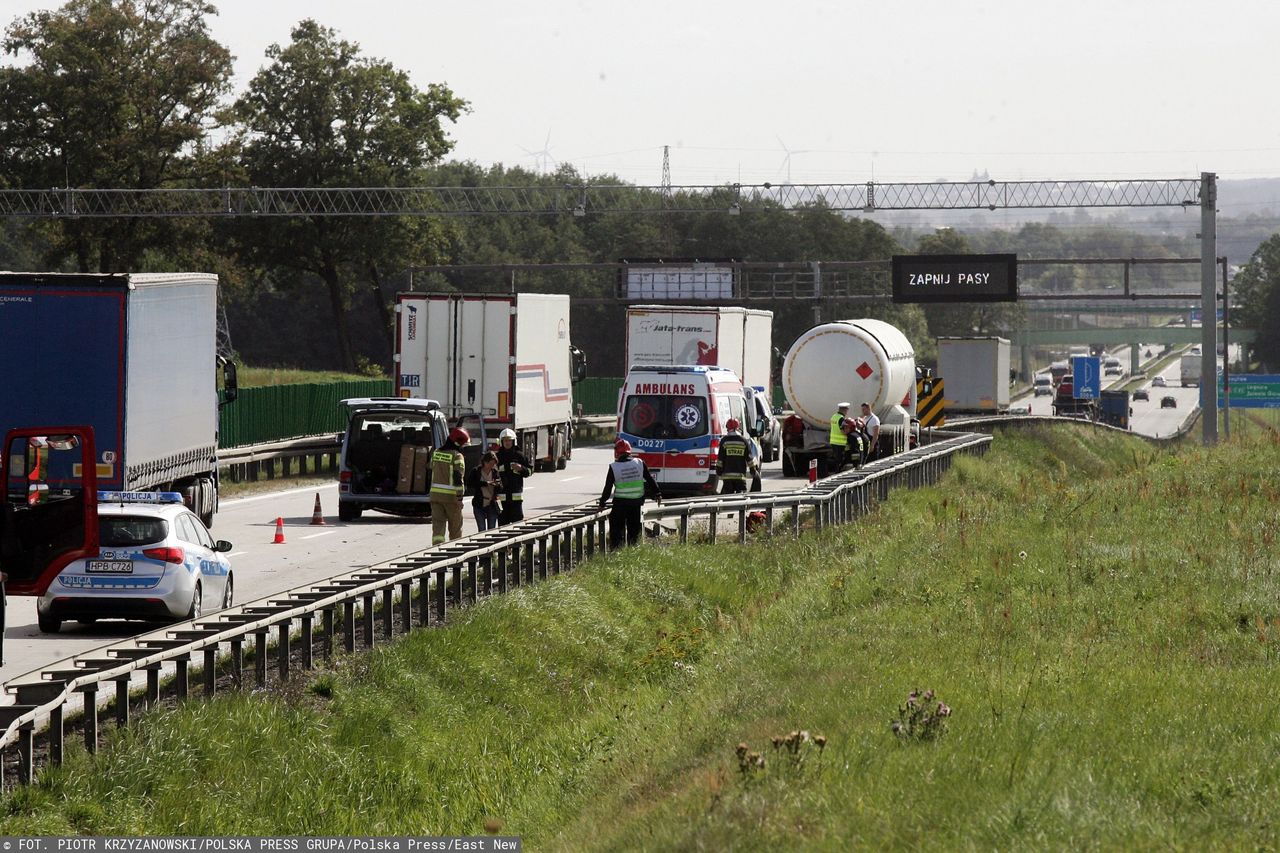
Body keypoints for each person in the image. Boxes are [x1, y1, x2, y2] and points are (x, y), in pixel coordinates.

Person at [599, 438, 661, 550]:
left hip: (620, 504)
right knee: (634, 530)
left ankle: (617, 551)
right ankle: (633, 551)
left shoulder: (614, 467)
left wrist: (602, 502)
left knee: (616, 530)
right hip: (636, 503)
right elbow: (650, 479)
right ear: (629, 451)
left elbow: (608, 488)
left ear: (617, 452)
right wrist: (657, 493)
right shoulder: (639, 463)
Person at [429, 427, 469, 545]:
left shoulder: (436, 453)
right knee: (455, 528)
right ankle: (454, 552)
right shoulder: (457, 456)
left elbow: (431, 467)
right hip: (451, 499)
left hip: (435, 497)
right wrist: (459, 498)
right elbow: (458, 478)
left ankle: (436, 551)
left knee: (438, 528)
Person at [494, 428, 530, 525]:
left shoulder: (519, 456)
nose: (507, 442)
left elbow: (529, 471)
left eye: (509, 440)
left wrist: (521, 468)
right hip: (502, 498)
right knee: (502, 524)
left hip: (516, 498)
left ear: (513, 441)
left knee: (517, 524)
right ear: (501, 441)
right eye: (505, 440)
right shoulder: (497, 457)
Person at [465, 450, 503, 532]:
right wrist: (485, 483)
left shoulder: (495, 472)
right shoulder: (476, 471)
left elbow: (501, 487)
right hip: (479, 504)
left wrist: (497, 485)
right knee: (481, 529)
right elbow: (470, 484)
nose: (491, 466)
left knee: (491, 530)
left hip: (492, 504)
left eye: (493, 464)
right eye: (490, 463)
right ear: (484, 462)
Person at [715, 418, 752, 494]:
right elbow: (749, 458)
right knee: (741, 497)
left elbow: (720, 459)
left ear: (727, 428)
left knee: (728, 498)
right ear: (738, 427)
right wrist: (753, 469)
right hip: (740, 477)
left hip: (727, 477)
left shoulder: (724, 440)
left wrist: (718, 470)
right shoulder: (743, 441)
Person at [829, 402, 851, 469]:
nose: (847, 411)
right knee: (840, 460)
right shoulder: (841, 419)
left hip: (833, 442)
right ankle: (838, 472)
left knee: (837, 459)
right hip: (840, 443)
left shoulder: (834, 416)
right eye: (847, 409)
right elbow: (843, 431)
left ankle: (837, 471)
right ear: (845, 410)